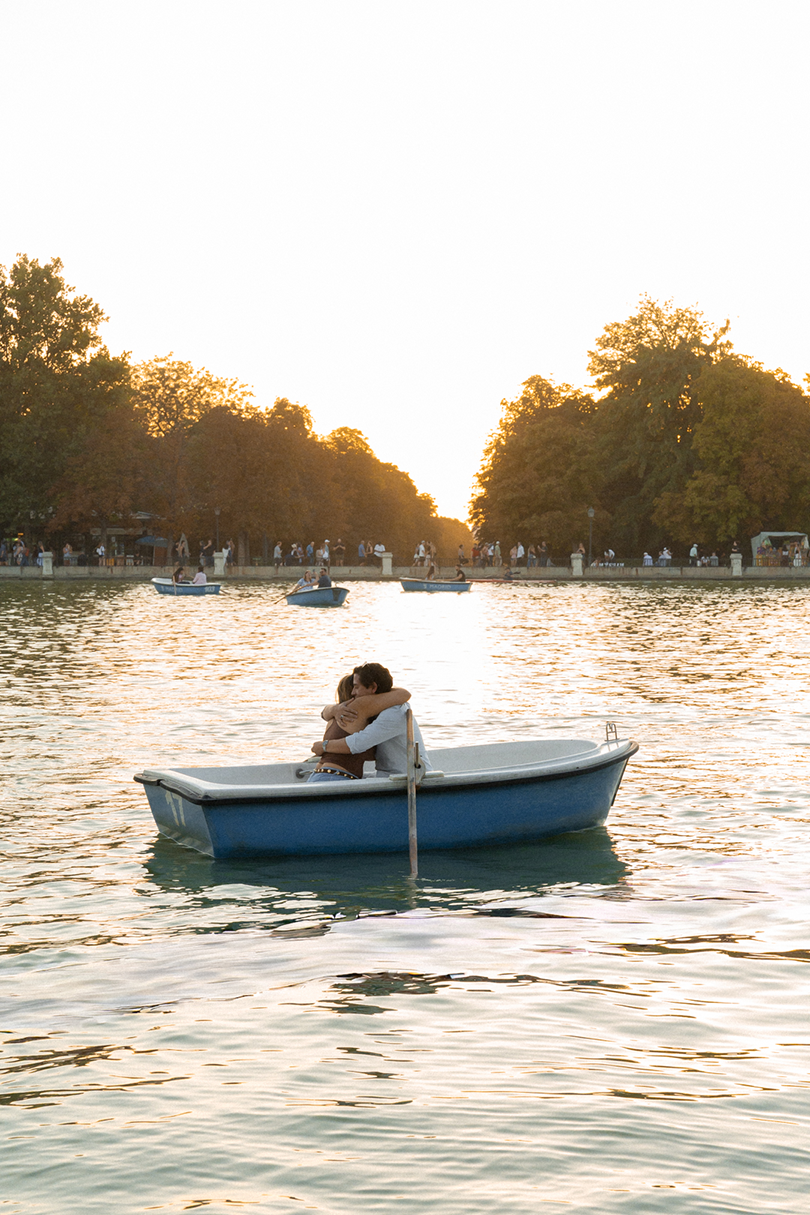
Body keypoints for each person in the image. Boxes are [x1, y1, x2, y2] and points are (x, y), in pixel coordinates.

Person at [310, 663, 429, 780]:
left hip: (408, 777)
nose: (353, 693)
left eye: (356, 687)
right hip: (388, 776)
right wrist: (334, 709)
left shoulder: (395, 712)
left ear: (373, 687)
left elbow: (359, 743)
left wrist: (324, 746)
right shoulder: (374, 710)